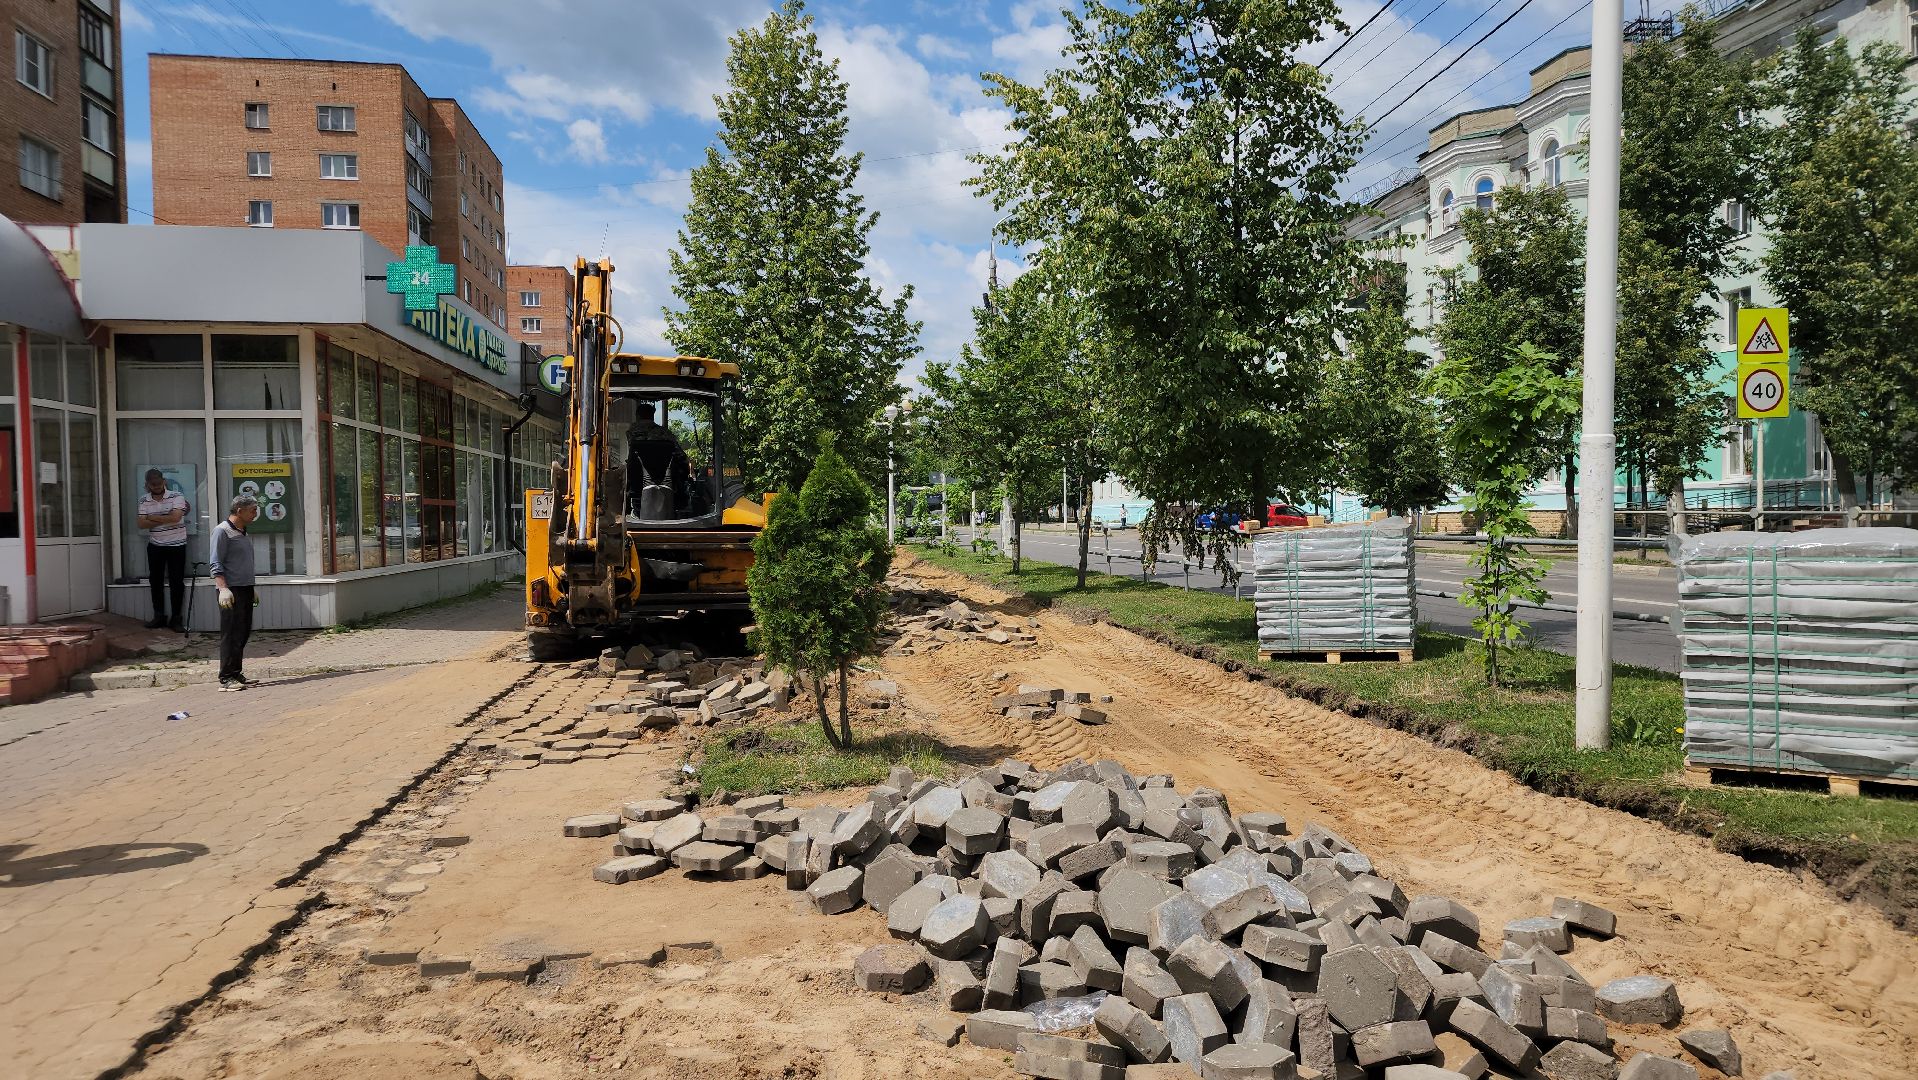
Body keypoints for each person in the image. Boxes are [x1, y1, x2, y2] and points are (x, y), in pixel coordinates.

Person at [210, 494, 260, 692]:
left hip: (245, 588)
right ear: (239, 510)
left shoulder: (243, 531)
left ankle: (236, 672)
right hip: (231, 591)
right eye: (252, 510)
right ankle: (225, 677)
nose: (255, 514)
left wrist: (251, 588)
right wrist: (222, 588)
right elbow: (215, 562)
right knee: (230, 634)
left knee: (242, 632)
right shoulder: (222, 531)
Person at [136, 469, 190, 630]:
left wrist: (152, 517)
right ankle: (159, 616)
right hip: (155, 545)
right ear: (147, 485)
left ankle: (176, 618)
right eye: (153, 484)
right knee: (156, 581)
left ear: (164, 481)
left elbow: (176, 518)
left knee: (176, 582)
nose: (157, 487)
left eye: (159, 483)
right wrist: (166, 518)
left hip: (177, 545)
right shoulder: (143, 500)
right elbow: (141, 524)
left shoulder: (177, 496)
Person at [626, 401, 690, 519]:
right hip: (668, 485)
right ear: (653, 415)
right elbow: (682, 458)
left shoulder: (631, 433)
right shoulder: (665, 433)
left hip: (637, 485)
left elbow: (631, 462)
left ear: (638, 416)